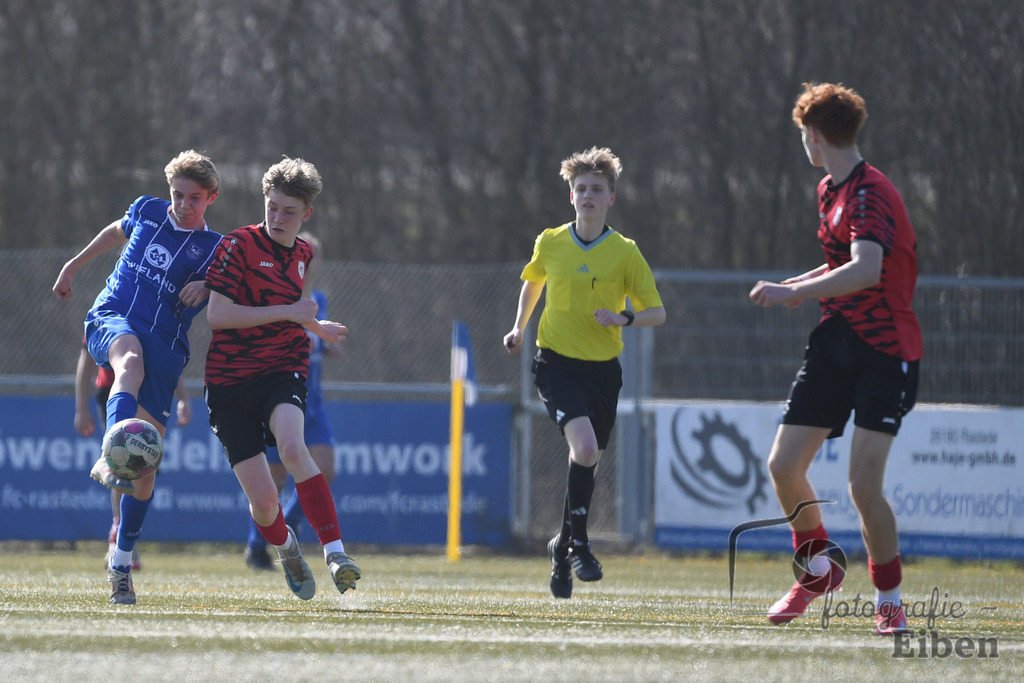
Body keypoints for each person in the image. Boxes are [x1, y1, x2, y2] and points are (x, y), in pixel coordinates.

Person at [749, 82, 922, 636]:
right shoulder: (829, 189)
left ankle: (889, 600)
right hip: (836, 344)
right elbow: (837, 267)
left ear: (815, 134)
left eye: (804, 133)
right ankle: (818, 570)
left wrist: (795, 292)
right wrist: (792, 286)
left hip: (884, 352)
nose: (804, 142)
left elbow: (867, 269)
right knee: (783, 467)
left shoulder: (871, 193)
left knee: (863, 487)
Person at [54, 150, 223, 605]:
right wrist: (73, 265)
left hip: (165, 349)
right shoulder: (148, 210)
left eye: (193, 197)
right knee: (128, 361)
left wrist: (210, 285)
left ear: (210, 197)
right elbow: (117, 230)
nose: (183, 204)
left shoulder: (215, 249)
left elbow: (233, 292)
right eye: (177, 194)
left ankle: (121, 563)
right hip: (114, 317)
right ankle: (111, 455)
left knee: (144, 474)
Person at [503, 147, 666, 599]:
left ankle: (560, 546)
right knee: (587, 447)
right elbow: (533, 282)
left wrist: (624, 318)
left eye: (597, 189)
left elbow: (657, 312)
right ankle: (580, 545)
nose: (588, 196)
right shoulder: (551, 241)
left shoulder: (625, 252)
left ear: (611, 198)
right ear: (571, 195)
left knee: (586, 460)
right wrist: (519, 328)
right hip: (556, 363)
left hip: (603, 372)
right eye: (581, 189)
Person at [204, 157, 360, 600]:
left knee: (294, 448)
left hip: (282, 368)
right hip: (229, 380)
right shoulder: (238, 245)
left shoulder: (304, 255)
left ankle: (336, 554)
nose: (277, 217)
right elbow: (218, 316)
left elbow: (296, 309)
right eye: (271, 207)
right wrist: (293, 313)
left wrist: (316, 328)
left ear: (306, 214)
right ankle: (287, 550)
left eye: (289, 211)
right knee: (265, 503)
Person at [243, 233, 342, 571]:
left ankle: (289, 526)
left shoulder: (319, 300)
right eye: (303, 254)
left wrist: (330, 344)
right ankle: (257, 546)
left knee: (325, 470)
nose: (307, 260)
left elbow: (321, 340)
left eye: (312, 255)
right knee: (273, 483)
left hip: (312, 405)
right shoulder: (277, 296)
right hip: (280, 401)